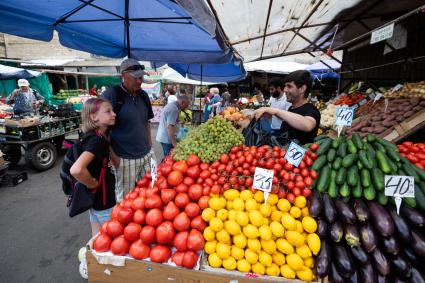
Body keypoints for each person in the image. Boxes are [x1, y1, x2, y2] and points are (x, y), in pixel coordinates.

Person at [101, 58, 155, 202]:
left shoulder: (143, 95)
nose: (139, 81)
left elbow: (147, 122)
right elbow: (101, 131)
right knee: (126, 200)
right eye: (136, 77)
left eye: (141, 77)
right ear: (124, 76)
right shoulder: (112, 95)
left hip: (147, 156)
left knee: (154, 190)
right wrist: (114, 157)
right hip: (124, 159)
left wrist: (150, 146)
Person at [253, 70, 320, 145]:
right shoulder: (291, 108)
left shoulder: (311, 110)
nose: (285, 90)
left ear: (302, 89)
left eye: (289, 86)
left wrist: (276, 111)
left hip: (302, 156)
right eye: (285, 86)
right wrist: (269, 115)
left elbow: (308, 125)